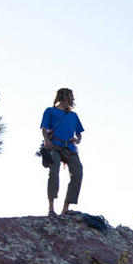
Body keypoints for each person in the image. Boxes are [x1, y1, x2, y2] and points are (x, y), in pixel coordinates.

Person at [40, 88, 84, 216]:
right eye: (71, 96)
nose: (73, 99)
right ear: (64, 96)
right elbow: (44, 128)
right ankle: (51, 208)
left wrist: (77, 139)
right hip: (55, 145)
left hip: (70, 148)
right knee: (54, 172)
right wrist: (46, 140)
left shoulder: (73, 116)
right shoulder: (50, 111)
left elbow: (79, 134)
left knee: (78, 172)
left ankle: (66, 207)